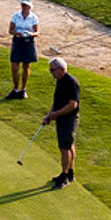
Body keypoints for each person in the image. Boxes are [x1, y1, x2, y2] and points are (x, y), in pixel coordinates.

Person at [42, 58, 80, 188]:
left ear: (61, 69)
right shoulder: (60, 81)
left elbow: (73, 104)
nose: (51, 72)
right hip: (61, 116)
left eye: (52, 70)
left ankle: (64, 177)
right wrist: (49, 114)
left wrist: (55, 114)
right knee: (68, 145)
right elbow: (57, 101)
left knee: (64, 147)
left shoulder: (71, 82)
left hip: (68, 118)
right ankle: (69, 172)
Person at [7, 0, 40, 98]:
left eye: (25, 5)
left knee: (26, 67)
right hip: (18, 41)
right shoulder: (16, 16)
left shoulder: (34, 17)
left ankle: (23, 90)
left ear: (30, 6)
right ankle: (15, 89)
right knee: (14, 67)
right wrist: (18, 33)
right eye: (22, 4)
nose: (24, 7)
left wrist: (30, 34)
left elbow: (37, 32)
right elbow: (10, 30)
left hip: (28, 42)